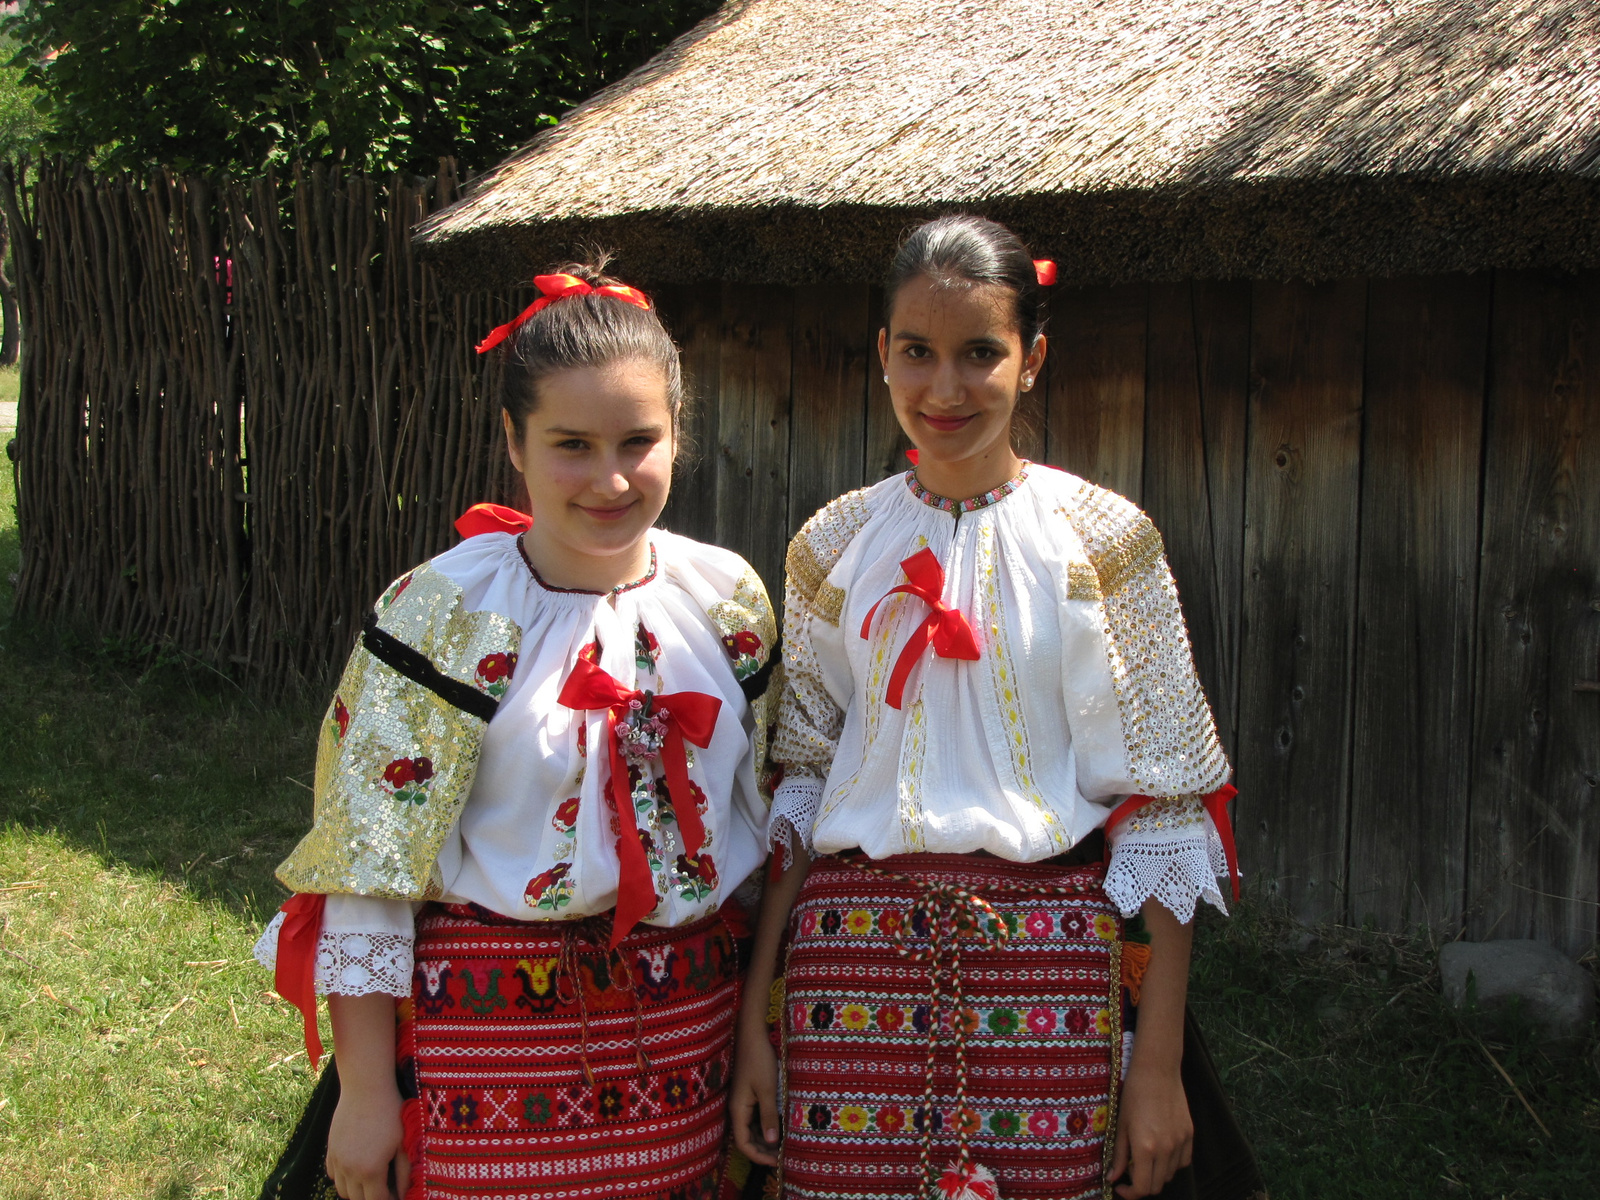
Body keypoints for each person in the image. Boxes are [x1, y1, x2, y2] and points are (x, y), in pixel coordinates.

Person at [729, 216, 1239, 1200]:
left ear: (1032, 358)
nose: (945, 389)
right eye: (916, 352)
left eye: (980, 354)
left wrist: (1159, 1067)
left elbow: (1167, 807)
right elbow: (801, 780)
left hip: (1048, 972)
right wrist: (758, 1016)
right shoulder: (830, 546)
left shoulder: (1104, 542)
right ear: (882, 354)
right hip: (851, 979)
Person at [254, 260, 778, 1200]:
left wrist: (756, 1034)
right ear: (513, 441)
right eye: (571, 443)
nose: (610, 478)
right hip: (492, 1049)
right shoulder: (445, 612)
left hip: (691, 1044)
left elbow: (762, 831)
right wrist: (367, 1095)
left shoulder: (727, 601)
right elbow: (367, 872)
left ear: (677, 437)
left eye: (638, 440)